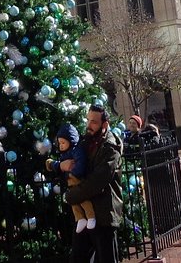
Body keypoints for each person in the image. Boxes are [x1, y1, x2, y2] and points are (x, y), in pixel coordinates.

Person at [64, 103, 123, 263]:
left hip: (104, 214)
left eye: (94, 122)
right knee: (78, 257)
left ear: (105, 124)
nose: (89, 125)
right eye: (88, 120)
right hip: (85, 211)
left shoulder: (110, 147)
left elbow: (98, 181)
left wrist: (71, 196)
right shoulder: (85, 142)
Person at [47, 124, 98, 232]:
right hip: (69, 181)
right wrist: (54, 164)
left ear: (71, 140)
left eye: (63, 143)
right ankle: (80, 218)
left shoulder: (76, 150)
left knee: (83, 200)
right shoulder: (64, 154)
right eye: (59, 143)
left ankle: (91, 216)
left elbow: (80, 163)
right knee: (74, 202)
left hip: (76, 179)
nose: (60, 145)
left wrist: (74, 173)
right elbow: (62, 165)